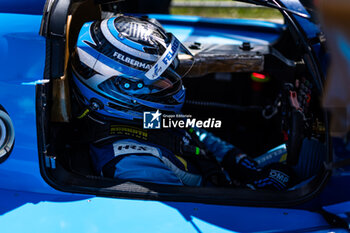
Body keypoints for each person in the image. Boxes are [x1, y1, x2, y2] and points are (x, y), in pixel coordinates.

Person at [70, 15, 295, 190]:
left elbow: (196, 134)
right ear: (122, 88)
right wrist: (255, 191)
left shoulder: (147, 118)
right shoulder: (133, 165)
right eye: (160, 79)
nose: (171, 82)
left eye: (170, 72)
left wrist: (242, 163)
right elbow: (204, 212)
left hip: (226, 177)